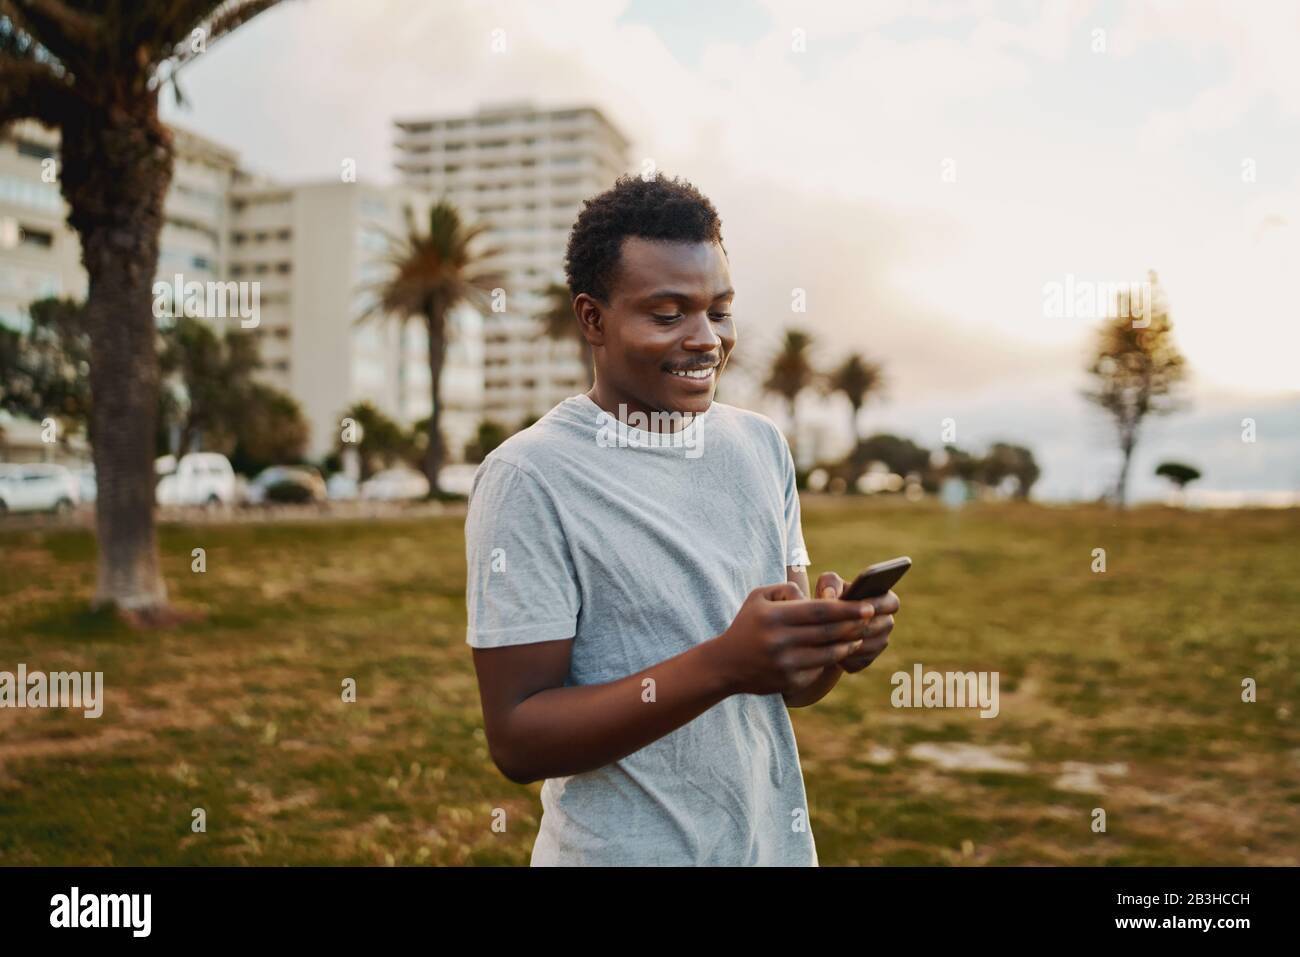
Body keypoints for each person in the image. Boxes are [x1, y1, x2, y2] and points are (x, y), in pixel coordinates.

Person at [464, 172, 900, 865]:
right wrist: (721, 664)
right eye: (668, 314)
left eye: (718, 311)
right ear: (592, 318)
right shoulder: (529, 476)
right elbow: (518, 739)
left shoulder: (760, 447)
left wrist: (833, 647)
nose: (707, 340)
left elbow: (787, 688)